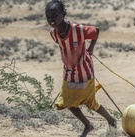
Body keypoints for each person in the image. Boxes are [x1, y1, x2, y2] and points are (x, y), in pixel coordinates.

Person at [45, 0, 116, 136]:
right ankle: (88, 125)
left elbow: (96, 31)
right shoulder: (53, 34)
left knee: (90, 102)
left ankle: (111, 120)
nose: (51, 19)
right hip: (69, 72)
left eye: (54, 16)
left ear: (63, 14)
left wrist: (90, 48)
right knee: (68, 103)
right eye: (48, 17)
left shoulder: (78, 30)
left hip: (85, 71)